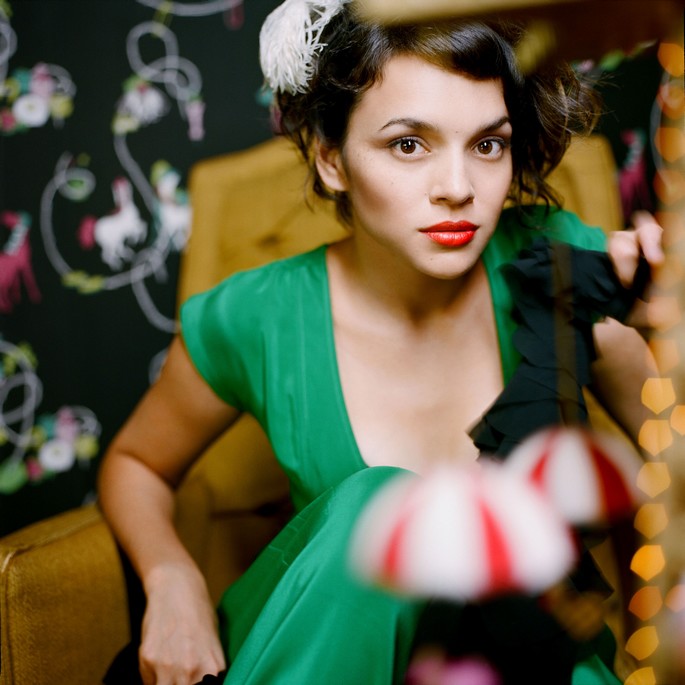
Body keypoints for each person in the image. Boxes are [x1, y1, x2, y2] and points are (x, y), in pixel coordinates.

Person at [98, 1, 664, 683]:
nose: (457, 188)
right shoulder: (256, 315)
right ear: (330, 159)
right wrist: (171, 578)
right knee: (380, 501)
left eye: (487, 145)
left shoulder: (562, 269)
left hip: (530, 659)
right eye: (408, 144)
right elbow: (135, 463)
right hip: (334, 658)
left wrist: (651, 332)